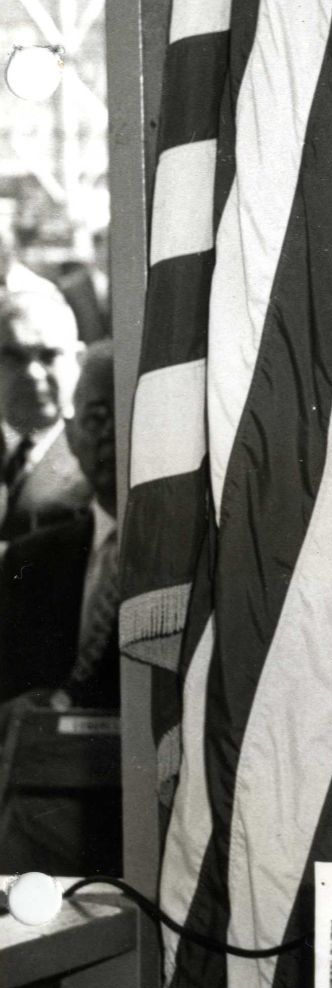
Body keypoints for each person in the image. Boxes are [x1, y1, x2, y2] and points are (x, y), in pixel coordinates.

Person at [0, 341, 120, 874]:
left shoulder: (197, 559)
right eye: (97, 415)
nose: (115, 432)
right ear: (71, 433)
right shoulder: (31, 559)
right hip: (40, 823)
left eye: (131, 413)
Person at [0, 287, 88, 544]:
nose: (33, 373)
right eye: (13, 356)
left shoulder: (93, 460)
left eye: (49, 355)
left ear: (79, 360)